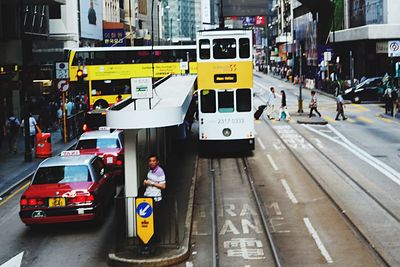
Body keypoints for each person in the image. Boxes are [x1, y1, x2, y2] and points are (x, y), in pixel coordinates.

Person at [143, 155, 166, 244]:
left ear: (157, 162)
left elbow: (163, 186)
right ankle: (149, 237)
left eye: (153, 161)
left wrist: (151, 183)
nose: (152, 162)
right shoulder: (150, 170)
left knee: (155, 219)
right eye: (150, 161)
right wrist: (145, 183)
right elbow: (149, 183)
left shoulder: (160, 171)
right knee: (148, 219)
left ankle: (156, 238)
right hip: (148, 196)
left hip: (155, 198)